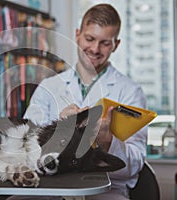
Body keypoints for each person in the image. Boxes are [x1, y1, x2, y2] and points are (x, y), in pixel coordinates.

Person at [10, 3, 147, 200]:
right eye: (89, 39)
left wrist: (107, 142)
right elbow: (25, 145)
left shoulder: (130, 92)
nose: (95, 49)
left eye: (105, 43)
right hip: (49, 187)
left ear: (116, 45)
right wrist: (57, 128)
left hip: (105, 191)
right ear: (77, 35)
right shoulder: (49, 86)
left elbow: (135, 165)